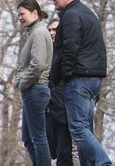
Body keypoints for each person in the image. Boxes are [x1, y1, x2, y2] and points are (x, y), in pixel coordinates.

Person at [49, 0, 111, 166]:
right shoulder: (88, 14)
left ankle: (102, 163)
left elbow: (70, 48)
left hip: (79, 78)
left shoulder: (71, 15)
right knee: (85, 128)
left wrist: (65, 75)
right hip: (93, 78)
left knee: (77, 128)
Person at [15, 0, 53, 166]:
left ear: (35, 13)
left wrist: (22, 81)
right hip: (32, 90)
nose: (20, 18)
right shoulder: (34, 32)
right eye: (18, 15)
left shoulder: (38, 33)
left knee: (38, 138)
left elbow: (37, 64)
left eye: (22, 14)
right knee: (28, 138)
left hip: (36, 89)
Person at [46, 18, 80, 166]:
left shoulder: (70, 50)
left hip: (66, 106)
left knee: (69, 150)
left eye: (55, 30)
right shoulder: (45, 51)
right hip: (49, 106)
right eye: (50, 30)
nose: (52, 33)